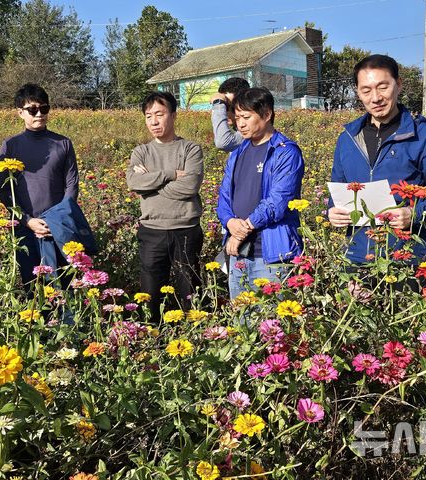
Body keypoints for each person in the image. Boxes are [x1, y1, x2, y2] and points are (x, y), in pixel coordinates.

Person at [327, 54, 426, 264]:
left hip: (407, 256)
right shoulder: (347, 138)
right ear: (358, 93)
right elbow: (338, 187)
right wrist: (332, 212)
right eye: (366, 90)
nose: (375, 98)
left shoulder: (425, 136)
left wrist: (414, 214)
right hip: (357, 256)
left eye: (383, 87)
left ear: (398, 85)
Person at [216, 87, 305, 298]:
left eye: (246, 117)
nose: (241, 124)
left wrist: (242, 230)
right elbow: (224, 195)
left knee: (273, 323)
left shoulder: (286, 152)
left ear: (266, 115)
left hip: (271, 255)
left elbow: (278, 202)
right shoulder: (238, 151)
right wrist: (229, 222)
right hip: (238, 252)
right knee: (242, 322)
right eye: (237, 117)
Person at [126, 91, 204, 320]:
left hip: (186, 229)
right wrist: (170, 174)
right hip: (152, 230)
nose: (154, 121)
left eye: (159, 114)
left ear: (173, 115)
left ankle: (194, 334)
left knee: (189, 288)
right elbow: (134, 182)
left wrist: (151, 180)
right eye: (148, 116)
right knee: (150, 292)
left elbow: (189, 188)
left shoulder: (190, 149)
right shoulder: (141, 152)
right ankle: (152, 334)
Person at [0, 84, 79, 288]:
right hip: (25, 228)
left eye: (44, 108)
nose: (39, 114)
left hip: (58, 227)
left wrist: (56, 220)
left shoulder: (63, 143)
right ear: (20, 112)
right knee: (33, 285)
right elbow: (5, 191)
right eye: (32, 110)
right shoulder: (11, 145)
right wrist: (27, 221)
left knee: (63, 284)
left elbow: (71, 185)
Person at [210, 77, 250, 152]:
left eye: (227, 106)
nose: (224, 112)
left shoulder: (252, 131)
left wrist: (218, 104)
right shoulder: (237, 131)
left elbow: (223, 142)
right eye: (223, 107)